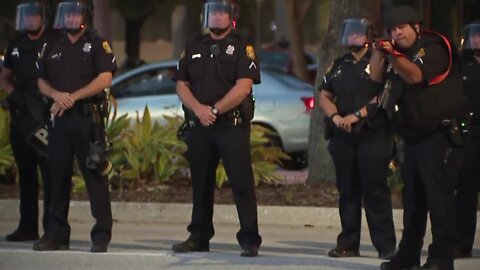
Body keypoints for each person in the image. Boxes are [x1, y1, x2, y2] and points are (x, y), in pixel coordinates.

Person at [370, 6, 469, 270]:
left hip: (441, 135)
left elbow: (414, 75)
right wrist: (379, 54)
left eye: (401, 27)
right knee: (413, 202)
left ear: (416, 27)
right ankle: (408, 257)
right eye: (392, 29)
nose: (396, 33)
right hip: (414, 137)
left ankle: (441, 259)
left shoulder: (433, 46)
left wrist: (393, 55)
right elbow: (374, 78)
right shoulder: (397, 55)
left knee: (439, 200)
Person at [172, 0, 262, 257]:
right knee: (201, 182)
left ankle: (249, 239)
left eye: (222, 12)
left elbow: (244, 87)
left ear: (232, 17)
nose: (217, 17)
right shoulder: (193, 47)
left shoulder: (243, 47)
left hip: (231, 125)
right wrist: (199, 110)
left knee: (241, 183)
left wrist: (215, 110)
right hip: (201, 125)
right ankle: (199, 236)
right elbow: (181, 84)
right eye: (213, 12)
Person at [33, 0, 116, 253]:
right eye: (66, 14)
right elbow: (41, 81)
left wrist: (73, 97)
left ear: (85, 15)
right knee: (56, 179)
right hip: (59, 121)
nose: (70, 18)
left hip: (87, 120)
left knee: (95, 177)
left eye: (75, 14)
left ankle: (100, 235)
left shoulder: (97, 44)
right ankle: (56, 235)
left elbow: (105, 78)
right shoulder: (51, 44)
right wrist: (56, 94)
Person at [318, 18, 396, 260]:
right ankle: (348, 243)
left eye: (357, 32)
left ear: (369, 35)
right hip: (343, 136)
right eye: (349, 32)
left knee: (375, 191)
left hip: (372, 134)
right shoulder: (340, 64)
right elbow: (324, 94)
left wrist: (355, 116)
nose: (352, 36)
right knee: (348, 190)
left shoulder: (379, 61)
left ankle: (386, 245)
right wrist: (335, 117)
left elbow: (382, 94)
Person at [0, 0, 53, 242]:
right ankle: (27, 227)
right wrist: (13, 95)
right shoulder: (16, 44)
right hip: (21, 119)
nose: (31, 20)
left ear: (43, 17)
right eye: (27, 16)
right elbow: (5, 76)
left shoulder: (53, 42)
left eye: (35, 16)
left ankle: (51, 229)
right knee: (26, 175)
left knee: (51, 175)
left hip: (45, 119)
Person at [454, 20, 480, 259]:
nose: (477, 40)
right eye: (474, 36)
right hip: (470, 133)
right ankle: (462, 243)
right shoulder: (462, 66)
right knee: (466, 190)